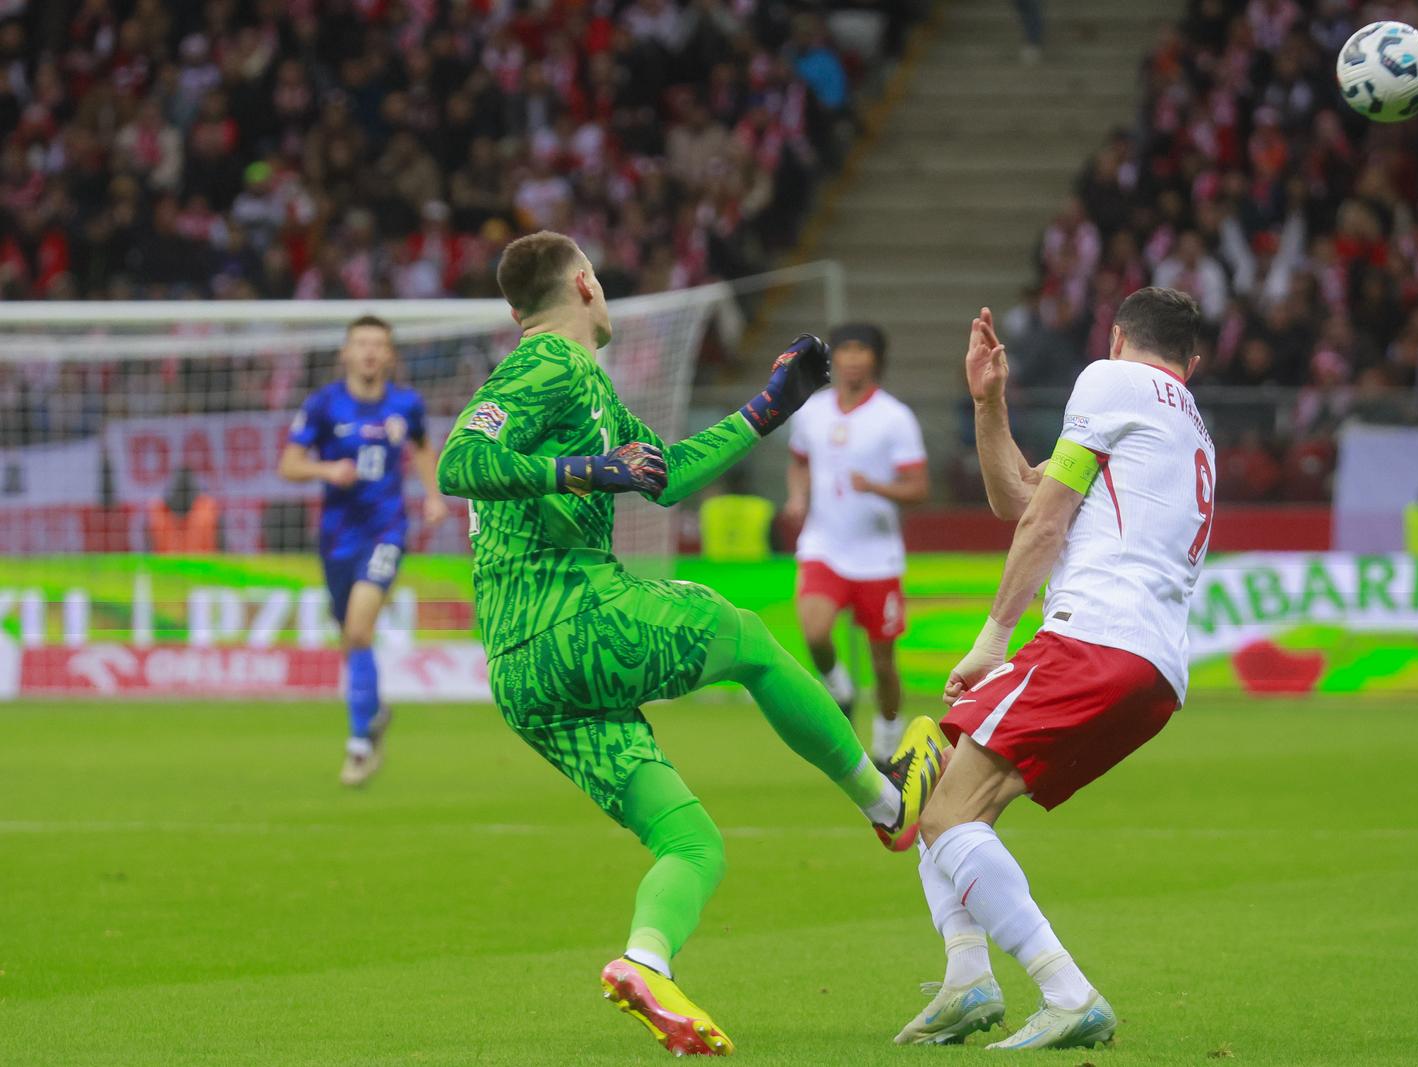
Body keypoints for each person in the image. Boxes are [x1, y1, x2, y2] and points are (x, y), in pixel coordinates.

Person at [433, 231, 944, 1057]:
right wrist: (585, 471)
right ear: (587, 286)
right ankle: (888, 806)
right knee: (740, 630)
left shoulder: (584, 385)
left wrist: (766, 411)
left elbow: (661, 469)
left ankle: (644, 961)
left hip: (521, 674)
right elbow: (460, 460)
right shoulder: (551, 366)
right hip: (568, 614)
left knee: (692, 841)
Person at [896, 289, 1215, 1050]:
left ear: (1114, 337)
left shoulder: (1109, 382)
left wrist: (992, 637)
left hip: (1093, 638)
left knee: (937, 812)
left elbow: (1043, 521)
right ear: (1192, 362)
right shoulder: (1186, 423)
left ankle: (1066, 990)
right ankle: (967, 977)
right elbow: (1024, 494)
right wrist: (990, 402)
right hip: (1153, 669)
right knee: (945, 795)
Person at [278, 316, 448, 787]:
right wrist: (327, 470)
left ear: (390, 356)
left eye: (379, 345)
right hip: (336, 537)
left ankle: (358, 747)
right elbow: (288, 465)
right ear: (346, 354)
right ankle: (373, 710)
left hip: (386, 532)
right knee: (351, 638)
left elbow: (421, 447)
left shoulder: (406, 404)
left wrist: (432, 495)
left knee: (357, 628)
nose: (370, 352)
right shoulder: (324, 404)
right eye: (362, 344)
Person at [782, 323, 928, 765]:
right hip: (824, 545)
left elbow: (918, 487)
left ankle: (887, 744)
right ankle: (841, 689)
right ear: (834, 359)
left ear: (875, 359)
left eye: (861, 350)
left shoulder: (895, 417)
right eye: (844, 350)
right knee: (814, 631)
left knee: (883, 663)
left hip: (876, 557)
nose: (852, 358)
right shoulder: (812, 412)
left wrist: (878, 488)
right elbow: (799, 462)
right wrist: (797, 496)